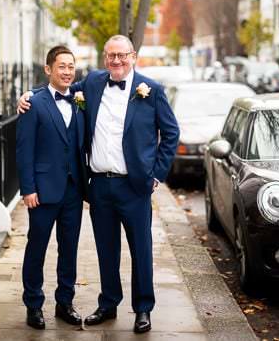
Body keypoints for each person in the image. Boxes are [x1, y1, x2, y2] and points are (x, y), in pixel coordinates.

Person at [19, 35, 179, 333]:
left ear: (133, 56)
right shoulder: (92, 84)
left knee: (140, 250)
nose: (116, 61)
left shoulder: (151, 90)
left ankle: (143, 308)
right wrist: (27, 95)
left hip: (135, 186)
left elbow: (171, 134)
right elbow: (60, 91)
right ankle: (108, 303)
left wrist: (156, 174)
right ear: (105, 58)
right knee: (106, 249)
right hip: (99, 186)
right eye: (111, 56)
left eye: (122, 56)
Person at [16, 45, 87, 330]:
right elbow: (24, 150)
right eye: (62, 66)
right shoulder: (33, 102)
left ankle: (64, 303)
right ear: (48, 69)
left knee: (69, 249)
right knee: (37, 248)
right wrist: (27, 188)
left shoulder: (81, 99)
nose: (68, 71)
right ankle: (33, 304)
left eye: (71, 66)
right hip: (43, 190)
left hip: (73, 190)